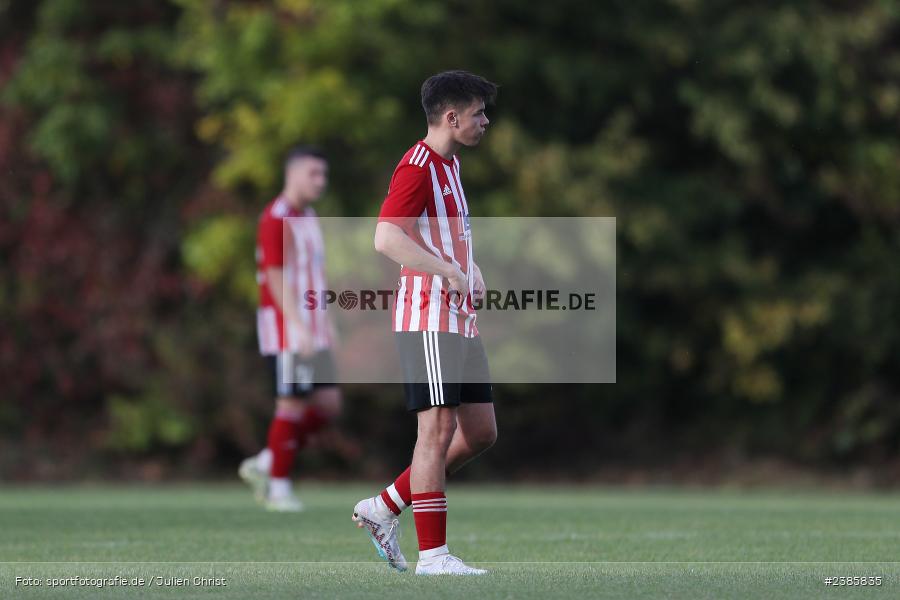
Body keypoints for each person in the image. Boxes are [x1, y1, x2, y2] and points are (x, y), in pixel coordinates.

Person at [352, 71, 498, 575]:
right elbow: (386, 237)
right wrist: (448, 272)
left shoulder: (450, 164)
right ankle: (433, 557)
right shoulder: (417, 167)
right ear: (452, 117)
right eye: (479, 112)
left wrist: (471, 269)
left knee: (480, 432)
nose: (485, 121)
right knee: (435, 430)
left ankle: (385, 506)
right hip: (428, 315)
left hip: (458, 316)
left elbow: (443, 236)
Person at [239, 146, 342, 512]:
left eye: (323, 174)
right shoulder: (276, 216)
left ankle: (268, 460)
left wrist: (326, 320)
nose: (320, 181)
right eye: (313, 174)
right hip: (288, 329)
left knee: (328, 405)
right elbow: (274, 275)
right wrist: (297, 326)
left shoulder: (308, 216)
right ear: (293, 174)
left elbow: (314, 274)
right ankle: (278, 489)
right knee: (291, 404)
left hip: (314, 326)